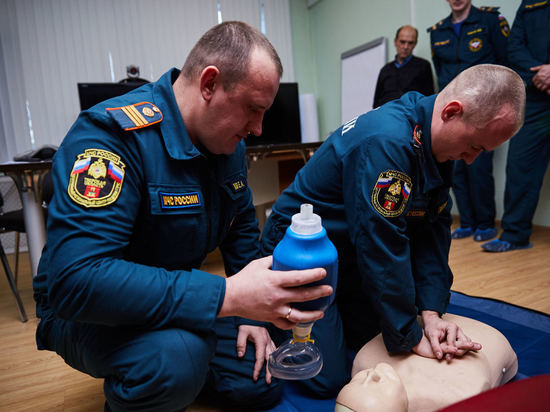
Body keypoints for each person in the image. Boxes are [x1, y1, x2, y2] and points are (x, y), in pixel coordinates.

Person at [32, 21, 334, 411]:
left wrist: (253, 317)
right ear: (209, 84)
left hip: (171, 295)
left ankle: (181, 365)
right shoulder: (110, 138)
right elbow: (77, 282)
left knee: (259, 383)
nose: (257, 128)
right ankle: (169, 366)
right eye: (253, 110)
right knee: (176, 359)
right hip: (88, 311)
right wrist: (228, 296)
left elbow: (241, 230)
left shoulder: (227, 143)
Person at [261, 64, 525, 397]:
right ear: (452, 112)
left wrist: (430, 311)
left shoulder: (435, 139)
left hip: (351, 253)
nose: (471, 160)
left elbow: (433, 230)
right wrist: (409, 336)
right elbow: (380, 244)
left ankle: (346, 305)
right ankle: (260, 311)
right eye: (474, 146)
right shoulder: (388, 143)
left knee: (381, 331)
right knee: (326, 377)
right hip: (302, 256)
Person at [429, 0, 510, 242]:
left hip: (483, 109)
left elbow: (505, 63)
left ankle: (485, 223)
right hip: (452, 111)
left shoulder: (489, 20)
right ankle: (467, 222)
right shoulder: (437, 32)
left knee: (479, 167)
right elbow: (440, 72)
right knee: (454, 168)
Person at [335, 314, 518, 412]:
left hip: (421, 322)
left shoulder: (365, 359)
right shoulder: (455, 398)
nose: (371, 375)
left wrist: (430, 314)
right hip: (490, 341)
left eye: (358, 383)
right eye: (374, 389)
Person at [482, 0, 550, 252]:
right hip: (535, 96)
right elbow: (515, 46)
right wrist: (540, 74)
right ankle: (515, 234)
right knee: (520, 166)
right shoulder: (530, 3)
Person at [373, 25, 434, 109]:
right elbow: (376, 103)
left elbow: (429, 100)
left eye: (410, 43)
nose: (405, 47)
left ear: (415, 43)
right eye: (402, 42)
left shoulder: (423, 66)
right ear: (395, 42)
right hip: (385, 116)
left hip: (410, 117)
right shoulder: (385, 70)